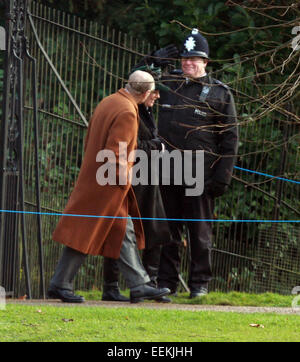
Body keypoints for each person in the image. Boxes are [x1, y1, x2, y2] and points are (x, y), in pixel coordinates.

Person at [47, 70, 170, 303]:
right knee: (102, 230)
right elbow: (118, 154)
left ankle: (63, 283)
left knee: (116, 231)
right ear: (144, 93)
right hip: (110, 185)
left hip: (96, 178)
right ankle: (139, 284)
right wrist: (123, 186)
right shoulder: (127, 112)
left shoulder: (110, 101)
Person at [141, 29, 239, 298]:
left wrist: (222, 177)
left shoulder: (220, 94)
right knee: (168, 230)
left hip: (200, 173)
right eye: (184, 59)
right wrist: (151, 62)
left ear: (205, 62)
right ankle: (167, 282)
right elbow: (135, 84)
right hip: (167, 169)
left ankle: (199, 284)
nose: (188, 63)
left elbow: (230, 138)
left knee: (199, 231)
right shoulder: (168, 83)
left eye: (194, 59)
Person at [102, 67, 172, 303]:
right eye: (155, 91)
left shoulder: (144, 110)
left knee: (153, 229)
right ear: (144, 91)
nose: (158, 96)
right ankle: (114, 286)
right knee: (120, 231)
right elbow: (128, 148)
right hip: (130, 179)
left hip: (146, 178)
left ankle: (146, 284)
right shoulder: (129, 111)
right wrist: (156, 147)